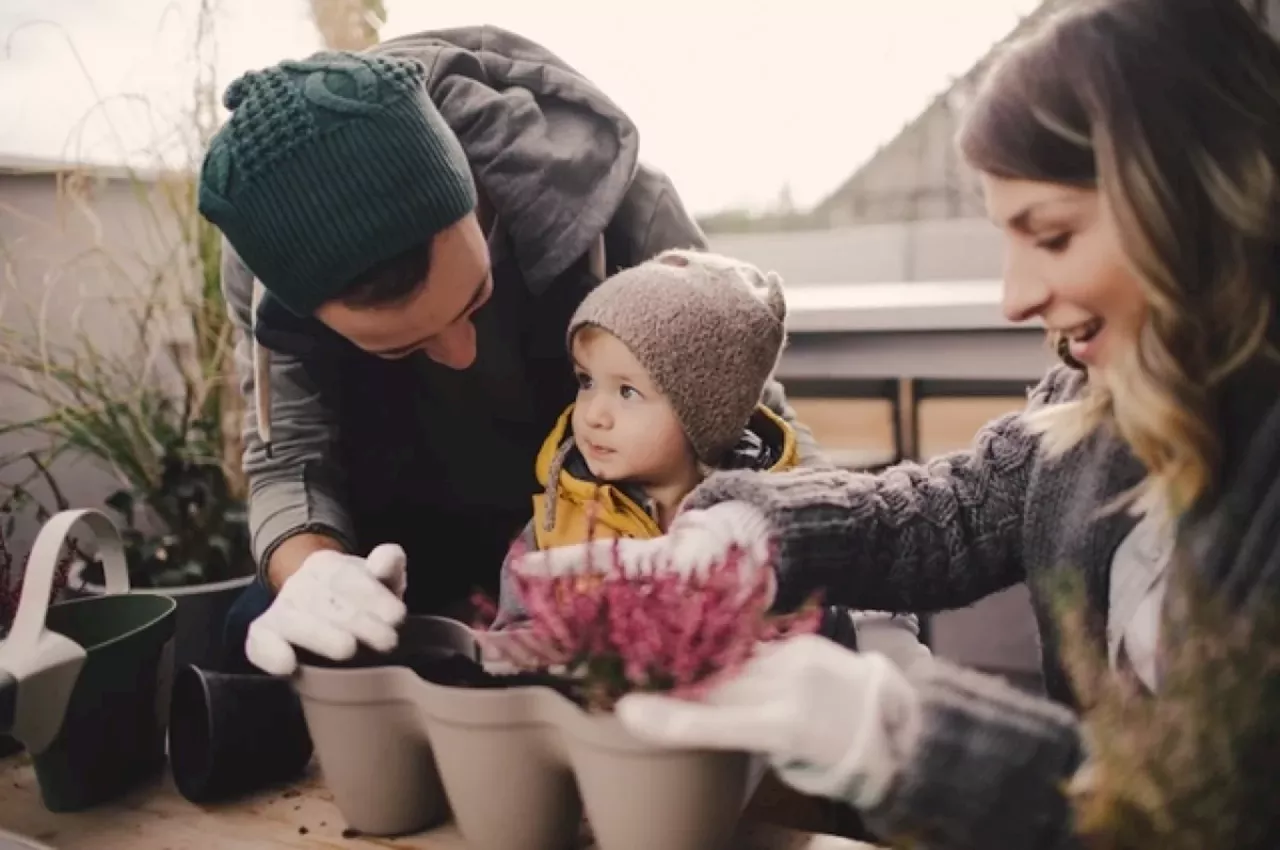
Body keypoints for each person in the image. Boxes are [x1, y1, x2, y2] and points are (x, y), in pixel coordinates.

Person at [508, 1, 1280, 847]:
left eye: (1052, 237)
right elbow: (945, 514)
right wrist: (751, 530)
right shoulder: (1094, 399)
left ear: (1201, 202)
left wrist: (910, 739)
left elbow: (1217, 817)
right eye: (1006, 240)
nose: (1013, 296)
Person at [196, 29, 823, 676]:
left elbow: (752, 415)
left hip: (602, 529)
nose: (462, 354)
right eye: (402, 348)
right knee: (256, 640)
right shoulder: (267, 268)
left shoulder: (630, 212)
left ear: (469, 183)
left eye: (476, 299)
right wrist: (315, 570)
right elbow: (289, 456)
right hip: (399, 541)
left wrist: (851, 568)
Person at [486, 248, 931, 667]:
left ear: (703, 413)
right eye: (586, 381)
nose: (594, 414)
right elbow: (513, 642)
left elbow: (859, 617)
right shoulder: (556, 519)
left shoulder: (779, 516)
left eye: (627, 391)